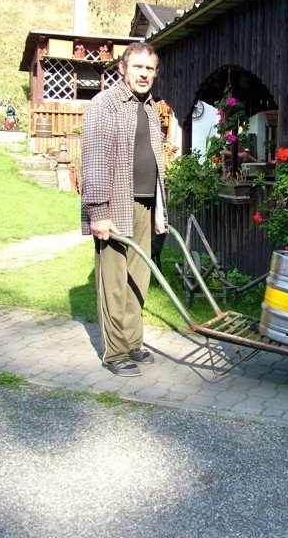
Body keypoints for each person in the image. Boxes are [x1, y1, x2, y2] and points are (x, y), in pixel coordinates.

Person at [81, 41, 168, 377]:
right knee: (114, 280)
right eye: (138, 67)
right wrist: (98, 210)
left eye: (150, 69)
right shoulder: (104, 105)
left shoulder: (149, 107)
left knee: (138, 276)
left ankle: (132, 341)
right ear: (123, 69)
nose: (144, 74)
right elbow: (94, 160)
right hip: (114, 204)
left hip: (146, 202)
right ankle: (114, 352)